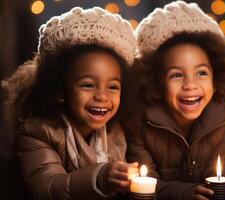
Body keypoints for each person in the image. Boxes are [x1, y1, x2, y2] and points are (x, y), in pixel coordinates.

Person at [2, 7, 138, 199]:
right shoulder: (37, 132)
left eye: (113, 87)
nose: (102, 96)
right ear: (60, 90)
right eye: (88, 85)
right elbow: (46, 188)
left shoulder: (116, 132)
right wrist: (100, 177)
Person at [124, 1, 225, 200]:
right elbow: (143, 184)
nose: (190, 85)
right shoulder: (139, 121)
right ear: (156, 82)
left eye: (201, 73)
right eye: (176, 75)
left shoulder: (222, 116)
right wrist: (184, 194)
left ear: (217, 79)